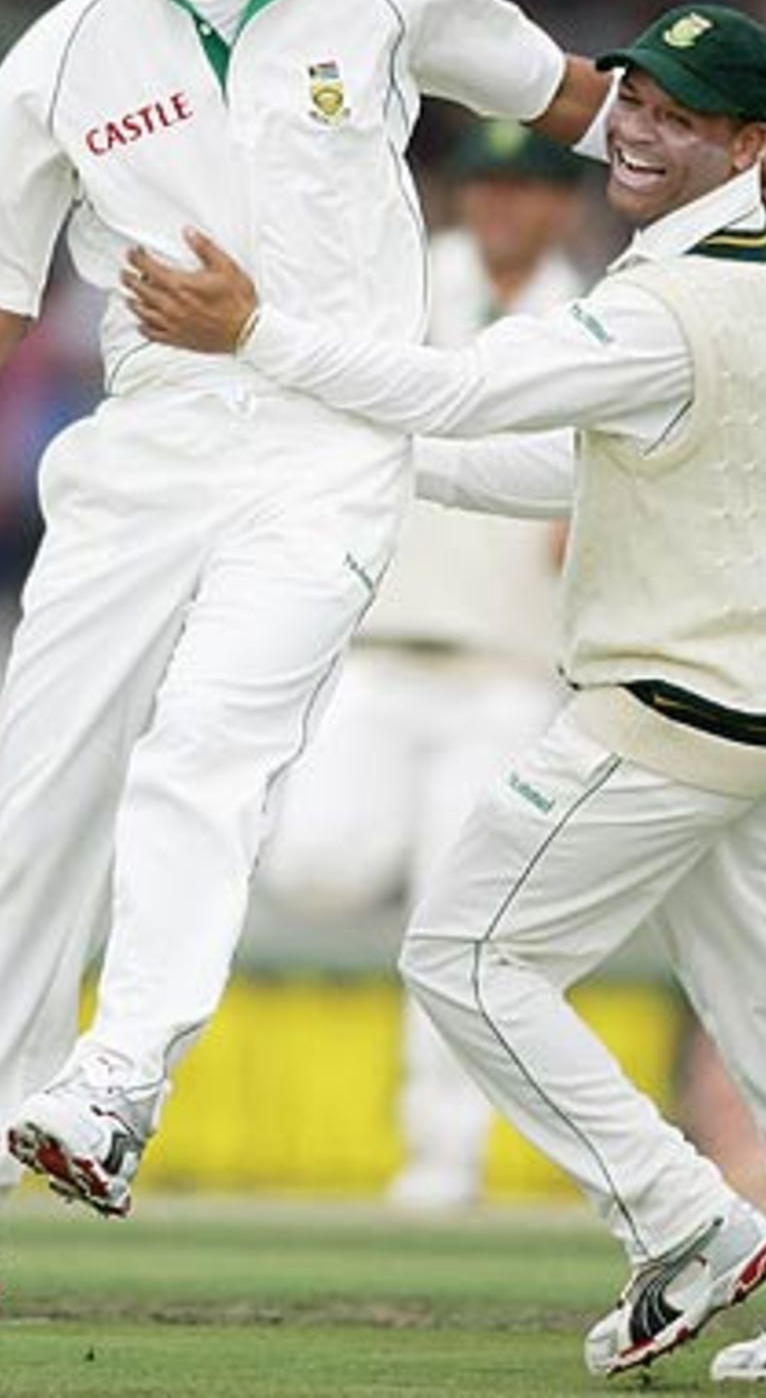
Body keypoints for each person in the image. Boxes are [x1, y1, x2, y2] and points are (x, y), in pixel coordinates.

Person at [0, 0, 766, 1343]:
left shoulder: (382, 2)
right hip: (148, 451)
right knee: (28, 825)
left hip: (332, 441)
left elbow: (592, 105)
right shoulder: (62, 58)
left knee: (211, 743)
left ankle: (114, 1077)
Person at [124, 4, 766, 1383]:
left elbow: (459, 394)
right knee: (760, 993)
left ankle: (684, 1219)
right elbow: (576, 469)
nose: (631, 125)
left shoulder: (667, 302)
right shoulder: (731, 252)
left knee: (463, 956)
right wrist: (378, 465)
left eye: (677, 115)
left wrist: (253, 336)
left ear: (746, 143)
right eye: (632, 94)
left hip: (680, 707)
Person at [260, 121, 582, 1210]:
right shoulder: (398, 285)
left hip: (506, 666)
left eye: (521, 187)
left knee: (456, 921)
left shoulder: (588, 320)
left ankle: (442, 1155)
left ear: (558, 207)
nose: (498, 204)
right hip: (378, 648)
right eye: (484, 183)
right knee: (311, 866)